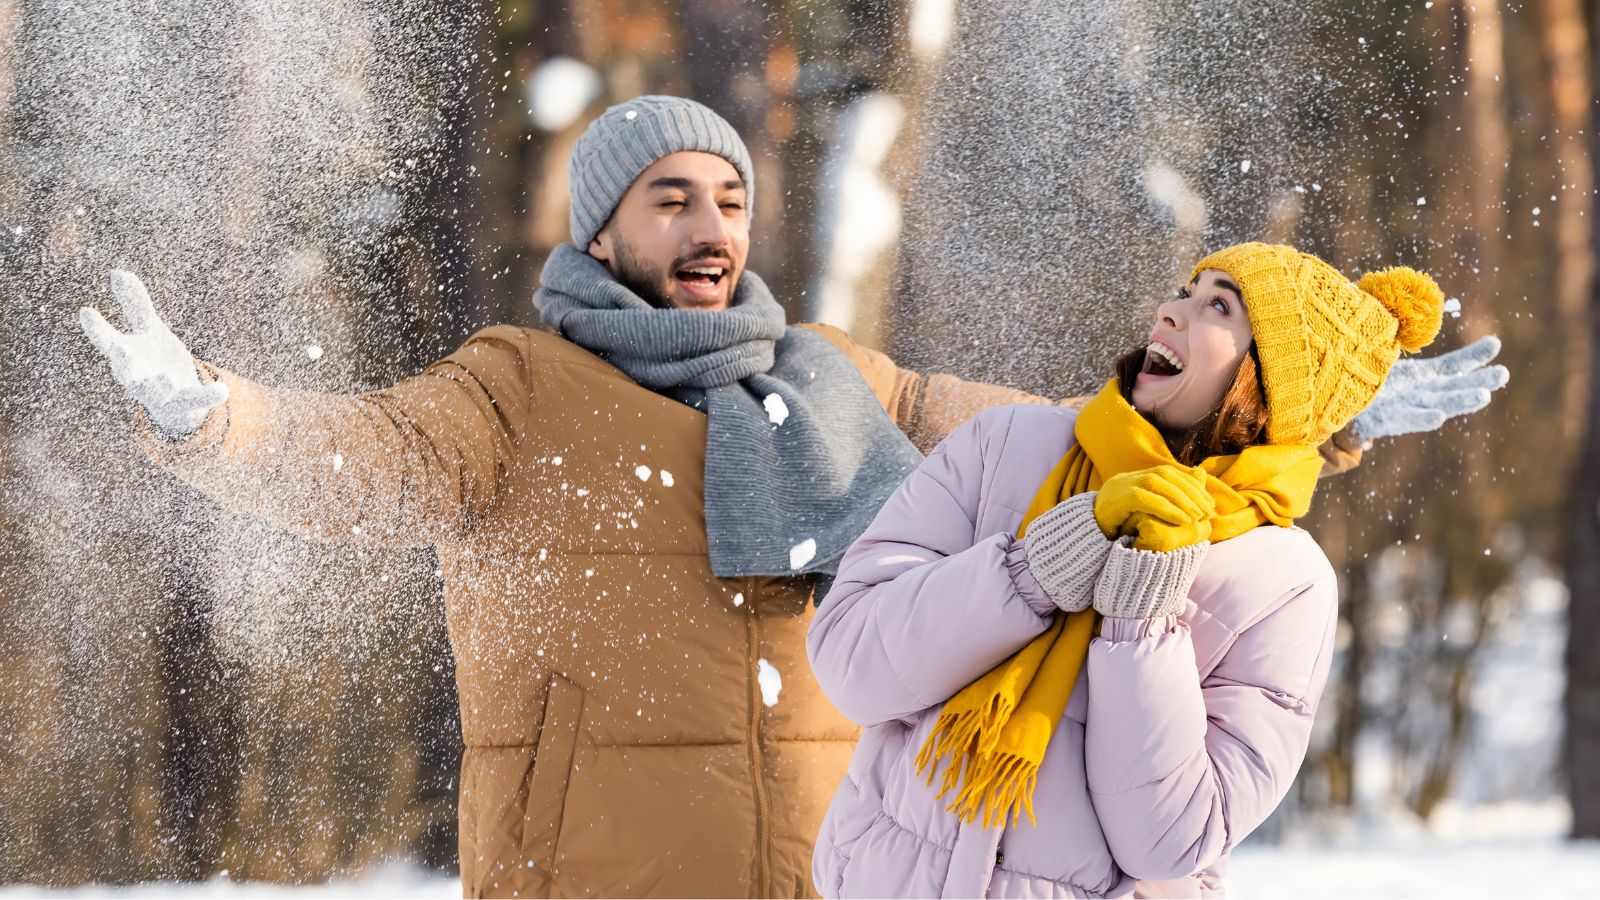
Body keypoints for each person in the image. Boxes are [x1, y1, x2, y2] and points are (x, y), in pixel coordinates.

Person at [77, 93, 1502, 898]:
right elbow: (373, 465)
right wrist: (217, 416)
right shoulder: (515, 387)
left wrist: (1322, 403)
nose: (711, 231)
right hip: (597, 879)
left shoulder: (831, 376)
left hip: (828, 872)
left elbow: (1095, 442)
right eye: (672, 201)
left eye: (731, 202)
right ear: (604, 227)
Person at [807, 244, 1456, 898]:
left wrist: (1143, 616)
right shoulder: (1004, 446)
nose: (1172, 310)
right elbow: (849, 664)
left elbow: (1168, 842)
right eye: (1186, 289)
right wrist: (1033, 571)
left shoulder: (1287, 584)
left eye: (1218, 306)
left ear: (1271, 382)